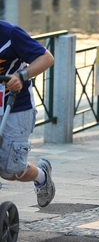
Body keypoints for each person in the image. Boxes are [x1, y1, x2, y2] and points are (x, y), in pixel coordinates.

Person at [0, 20, 55, 207]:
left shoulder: (10, 33)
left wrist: (21, 76)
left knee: (10, 170)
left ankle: (42, 176)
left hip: (14, 104)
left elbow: (46, 58)